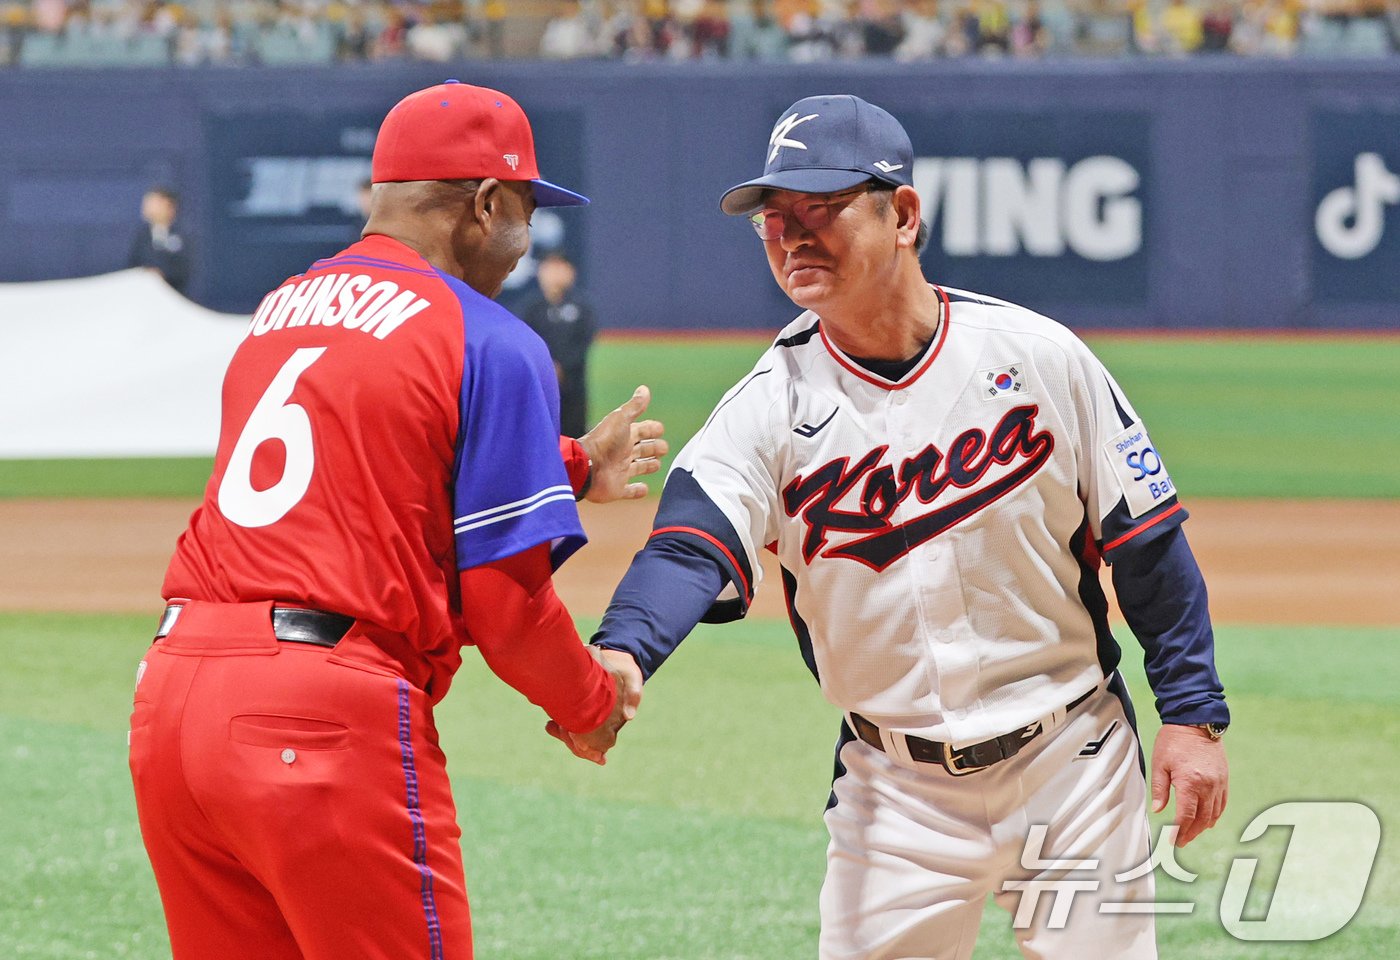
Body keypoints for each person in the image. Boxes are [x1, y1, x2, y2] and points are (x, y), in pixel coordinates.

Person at [567, 95, 1230, 959]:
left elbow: (1147, 543)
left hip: (1075, 761)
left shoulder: (1038, 357)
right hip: (894, 793)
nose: (793, 237)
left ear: (905, 214)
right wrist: (624, 647)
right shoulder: (767, 406)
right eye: (775, 220)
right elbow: (692, 545)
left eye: (822, 209)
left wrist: (1192, 714)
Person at [127, 81, 659, 960]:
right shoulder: (489, 336)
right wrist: (590, 701)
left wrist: (567, 464)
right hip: (318, 720)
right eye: (525, 208)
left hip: (174, 702)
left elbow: (364, 458)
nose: (529, 238)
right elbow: (506, 606)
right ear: (484, 205)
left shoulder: (280, 311)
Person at [521, 251, 597, 438]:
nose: (554, 274)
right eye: (549, 268)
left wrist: (562, 366)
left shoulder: (581, 308)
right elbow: (525, 343)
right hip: (540, 386)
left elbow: (584, 342)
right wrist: (547, 365)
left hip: (573, 389)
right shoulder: (532, 309)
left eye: (560, 268)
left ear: (571, 272)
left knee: (575, 438)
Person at [128, 186, 191, 294]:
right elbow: (132, 265)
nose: (147, 207)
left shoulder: (183, 236)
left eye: (153, 203)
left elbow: (184, 270)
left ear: (168, 205)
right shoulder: (141, 236)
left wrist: (161, 274)